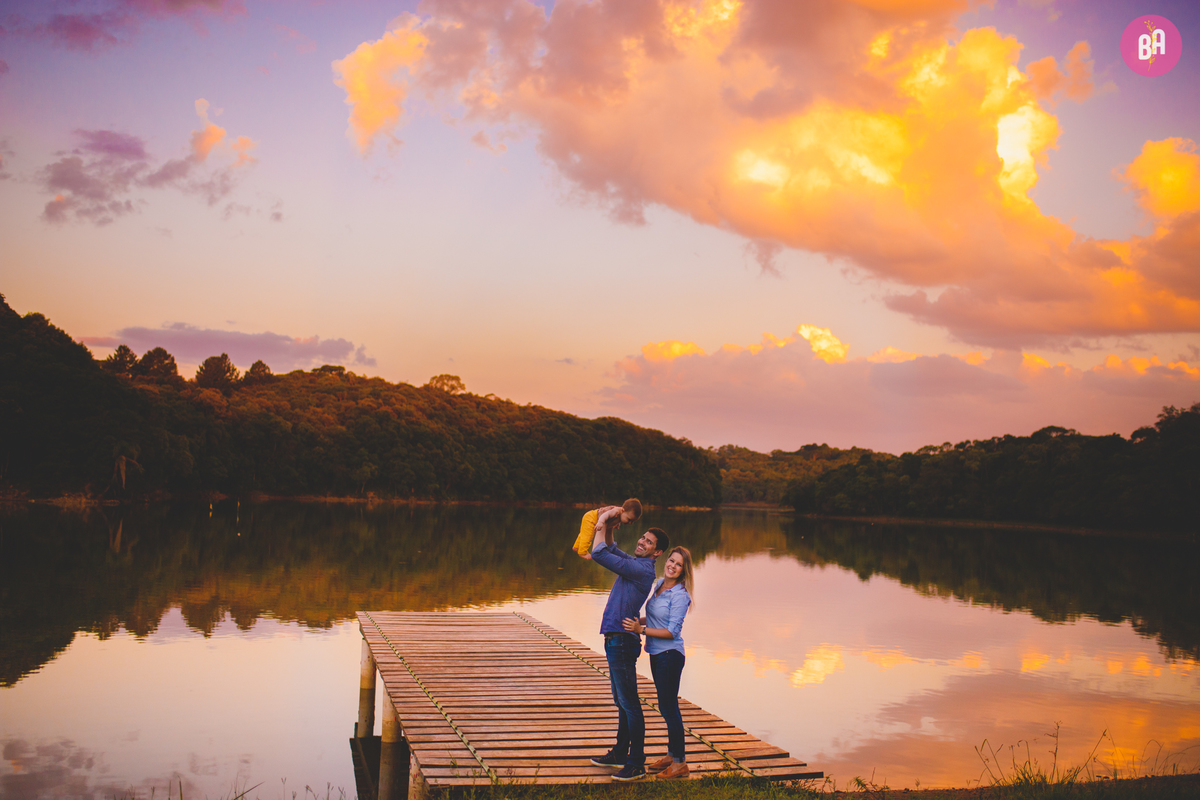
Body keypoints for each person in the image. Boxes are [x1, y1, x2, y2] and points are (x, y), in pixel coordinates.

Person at [588, 520, 668, 781]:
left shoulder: (642, 570)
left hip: (622, 642)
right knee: (621, 702)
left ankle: (636, 763)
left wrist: (600, 522)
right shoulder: (637, 565)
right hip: (615, 639)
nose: (641, 542)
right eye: (642, 537)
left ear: (657, 553)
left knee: (630, 704)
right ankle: (621, 752)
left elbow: (599, 553)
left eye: (648, 542)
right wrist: (610, 526)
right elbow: (610, 547)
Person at [624, 546, 694, 780]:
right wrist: (637, 620)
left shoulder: (681, 596)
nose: (672, 566)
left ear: (684, 571)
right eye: (671, 561)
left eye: (678, 564)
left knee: (668, 708)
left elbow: (672, 632)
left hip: (670, 655)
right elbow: (654, 617)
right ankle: (671, 755)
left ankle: (680, 763)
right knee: (666, 705)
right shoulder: (659, 584)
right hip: (657, 654)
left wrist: (640, 630)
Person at [572, 499, 642, 558]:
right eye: (629, 519)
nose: (630, 523)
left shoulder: (620, 515)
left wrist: (617, 523)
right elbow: (606, 515)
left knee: (584, 534)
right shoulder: (616, 511)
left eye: (632, 521)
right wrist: (600, 522)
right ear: (623, 511)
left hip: (590, 517)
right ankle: (582, 552)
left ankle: (576, 546)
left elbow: (616, 519)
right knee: (588, 535)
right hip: (591, 518)